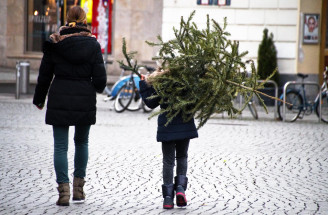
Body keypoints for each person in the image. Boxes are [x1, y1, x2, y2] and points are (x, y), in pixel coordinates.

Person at [33, 6, 107, 206]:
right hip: (84, 97)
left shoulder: (55, 42)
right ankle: (79, 191)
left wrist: (39, 99)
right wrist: (93, 86)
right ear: (84, 20)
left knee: (60, 146)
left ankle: (63, 193)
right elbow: (101, 81)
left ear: (67, 19)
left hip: (59, 97)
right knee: (81, 143)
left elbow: (44, 76)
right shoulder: (92, 45)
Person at [139, 71, 198, 209]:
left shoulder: (162, 81)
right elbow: (196, 101)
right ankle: (180, 189)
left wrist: (143, 84)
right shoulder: (188, 80)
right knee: (182, 157)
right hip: (185, 123)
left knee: (168, 161)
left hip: (167, 125)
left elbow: (151, 102)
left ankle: (167, 198)